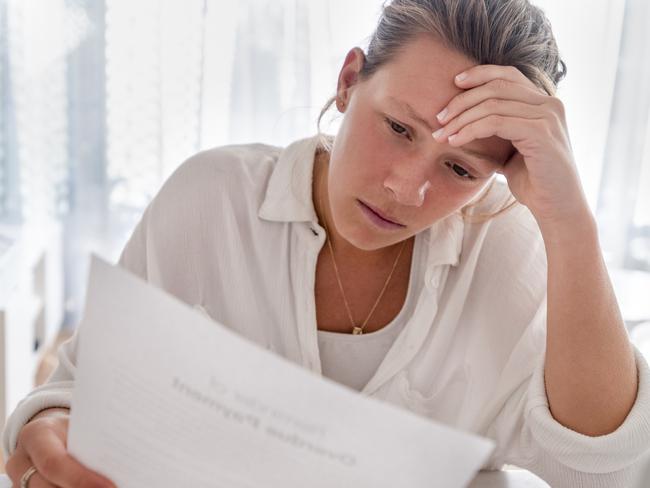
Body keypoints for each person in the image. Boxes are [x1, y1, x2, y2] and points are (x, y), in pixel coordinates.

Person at [4, 0, 650, 486]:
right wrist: (47, 430)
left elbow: (605, 467)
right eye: (399, 128)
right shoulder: (212, 199)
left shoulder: (507, 249)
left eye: (460, 170)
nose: (406, 189)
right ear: (348, 81)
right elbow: (79, 391)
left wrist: (569, 222)